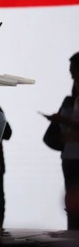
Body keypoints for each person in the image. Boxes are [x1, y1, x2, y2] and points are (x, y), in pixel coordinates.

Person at [45, 51, 79, 230]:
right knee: (72, 207)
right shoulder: (70, 100)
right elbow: (53, 135)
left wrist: (65, 122)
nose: (72, 76)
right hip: (69, 160)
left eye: (74, 71)